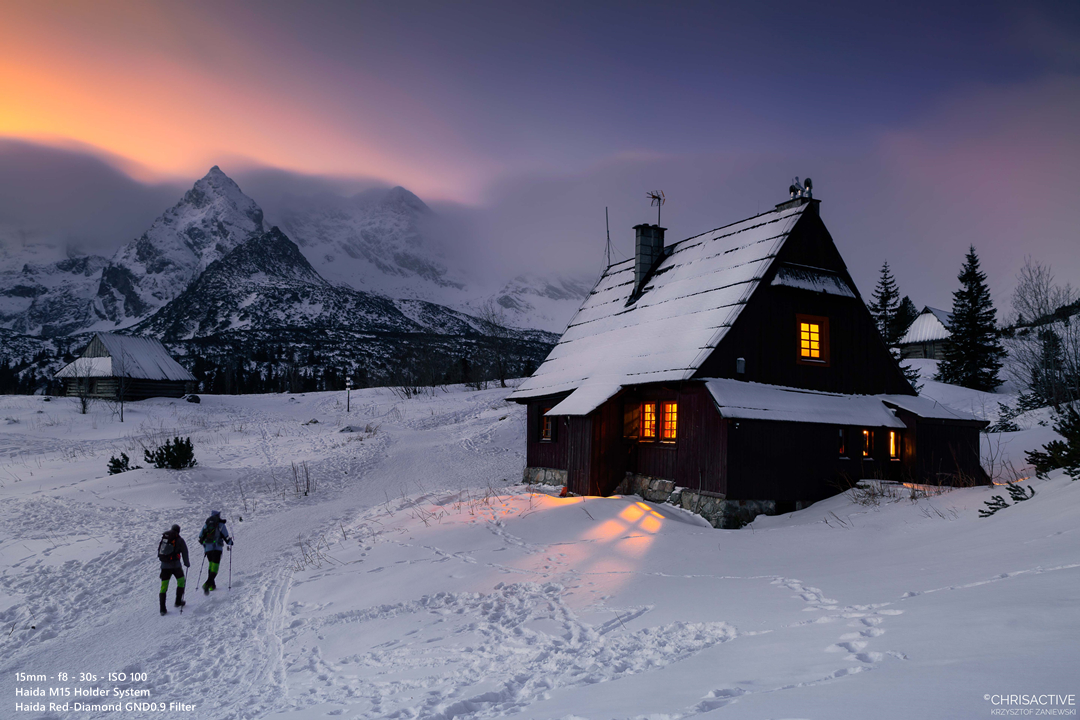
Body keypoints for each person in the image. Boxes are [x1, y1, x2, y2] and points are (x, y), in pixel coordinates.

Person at [157, 524, 190, 615]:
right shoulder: (180, 540)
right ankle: (178, 601)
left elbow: (159, 551)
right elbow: (185, 552)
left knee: (164, 587)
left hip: (164, 567)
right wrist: (186, 563)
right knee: (181, 581)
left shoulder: (165, 539)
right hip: (176, 566)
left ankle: (162, 609)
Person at [198, 510, 233, 594]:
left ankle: (212, 586)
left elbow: (200, 537)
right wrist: (230, 542)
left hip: (208, 549)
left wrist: (205, 546)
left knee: (211, 565)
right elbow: (226, 537)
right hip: (217, 548)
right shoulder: (220, 524)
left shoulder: (206, 525)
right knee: (215, 567)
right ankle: (207, 584)